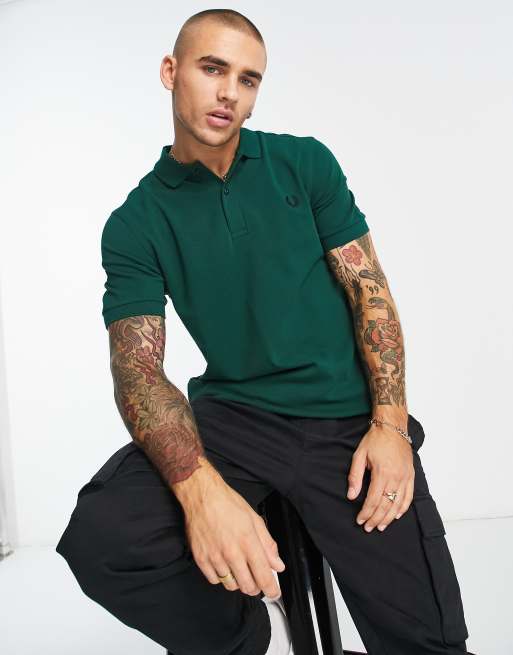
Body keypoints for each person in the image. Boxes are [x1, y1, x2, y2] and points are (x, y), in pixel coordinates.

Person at [55, 8, 470, 655]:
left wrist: (390, 425)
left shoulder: (303, 164)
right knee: (105, 536)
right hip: (234, 421)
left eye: (247, 79)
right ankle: (247, 638)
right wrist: (200, 494)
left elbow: (370, 293)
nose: (229, 92)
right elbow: (136, 369)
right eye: (212, 68)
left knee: (427, 644)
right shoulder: (135, 222)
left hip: (344, 419)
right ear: (170, 72)